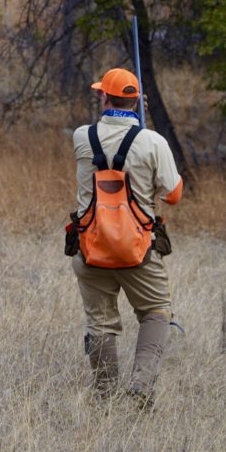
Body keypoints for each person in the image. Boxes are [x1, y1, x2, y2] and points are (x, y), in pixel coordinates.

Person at [72, 68, 183, 408]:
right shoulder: (152, 141)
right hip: (139, 250)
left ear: (103, 97)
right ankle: (141, 384)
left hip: (90, 248)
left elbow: (109, 134)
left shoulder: (81, 136)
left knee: (101, 322)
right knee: (156, 312)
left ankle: (104, 396)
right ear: (137, 101)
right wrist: (142, 126)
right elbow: (174, 195)